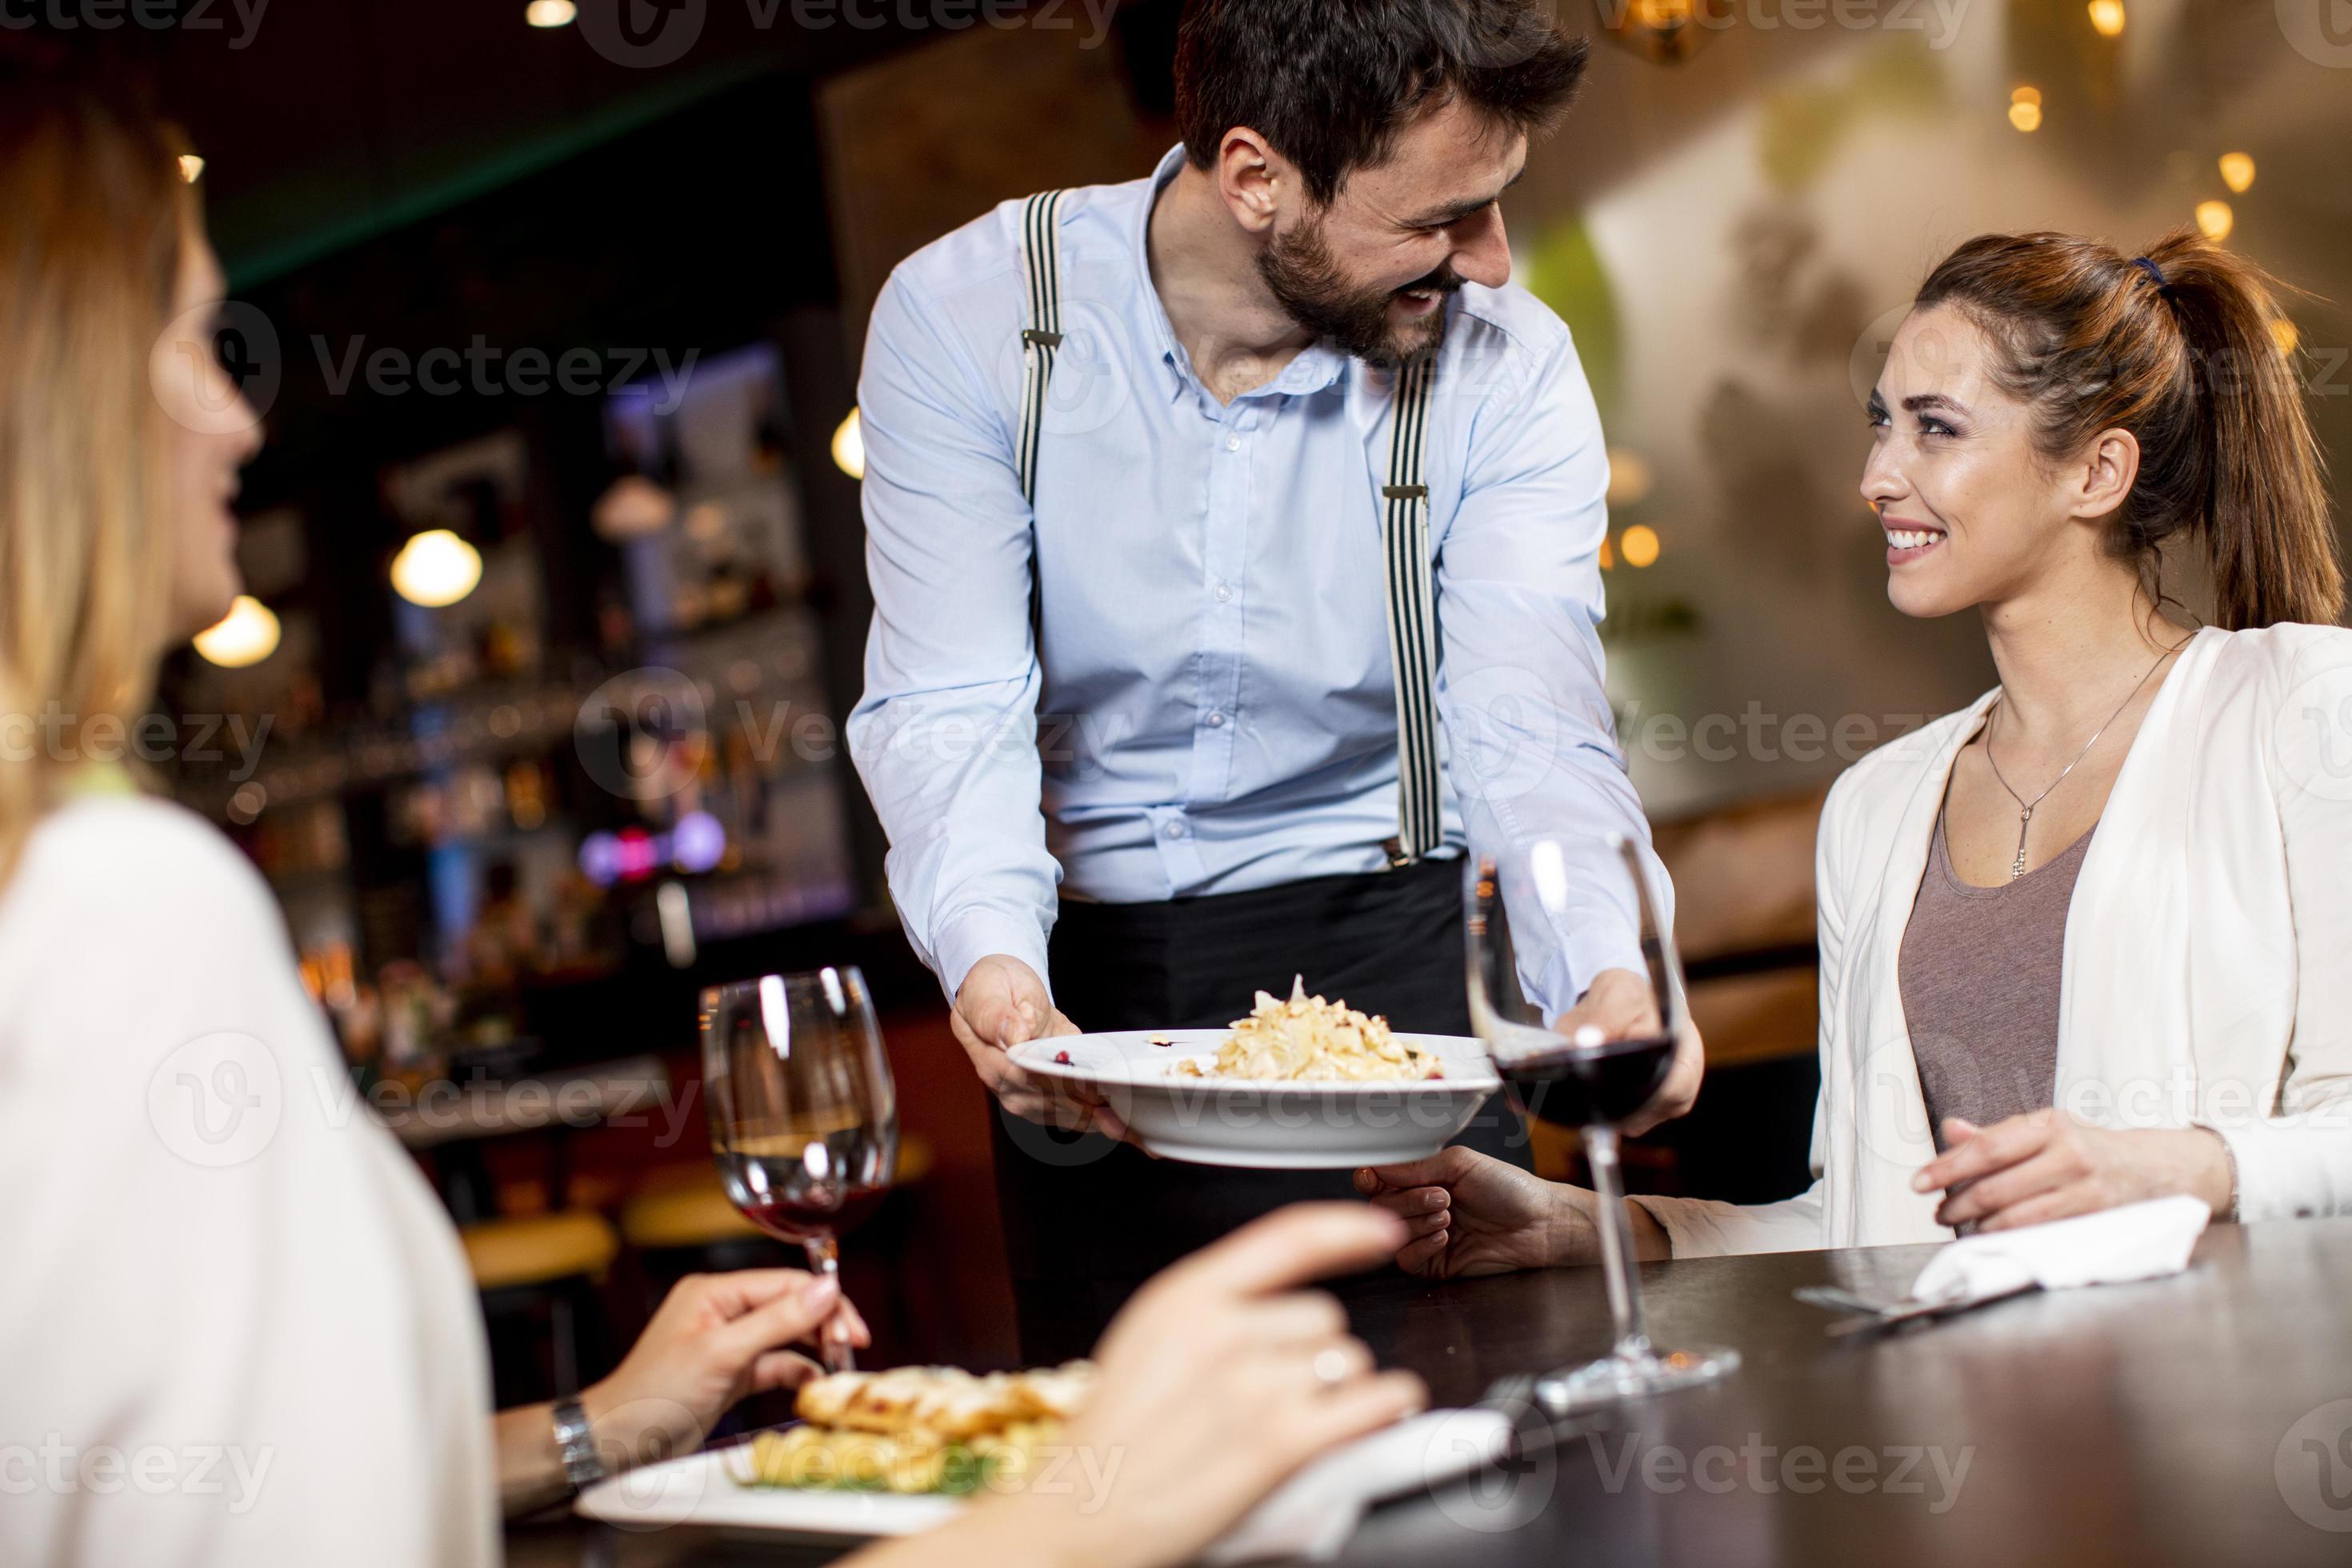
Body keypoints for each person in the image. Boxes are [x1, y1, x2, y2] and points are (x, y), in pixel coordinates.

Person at [0, 83, 1425, 1566]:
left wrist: (606, 1422)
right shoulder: (115, 904)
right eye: (191, 345)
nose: (242, 411)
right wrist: (1082, 1517)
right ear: (51, 401)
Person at [846, 0, 1694, 1362]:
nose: (1488, 261)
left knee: (1485, 1441)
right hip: (1096, 1008)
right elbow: (953, 700)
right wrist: (995, 962)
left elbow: (1529, 721)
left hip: (1397, 976)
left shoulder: (1508, 369)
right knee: (1139, 1478)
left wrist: (1605, 965)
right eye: (1441, 219)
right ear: (1256, 177)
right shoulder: (975, 322)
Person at [1357, 228, 2352, 1271]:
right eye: (1882, 426)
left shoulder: (2299, 706)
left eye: (1936, 430)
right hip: (1959, 1417)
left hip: (2216, 1403)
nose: (1879, 475)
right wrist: (1583, 1226)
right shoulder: (1879, 807)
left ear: (2097, 472)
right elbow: (1863, 1224)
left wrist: (2177, 1168)